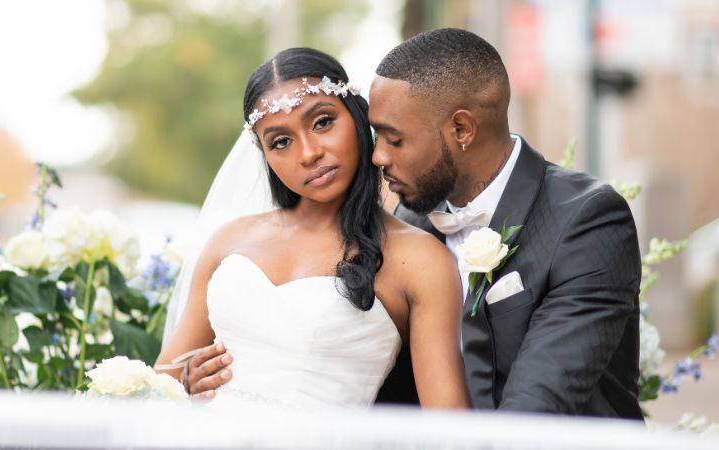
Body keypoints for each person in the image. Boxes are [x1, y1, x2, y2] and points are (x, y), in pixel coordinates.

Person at [156, 47, 469, 410]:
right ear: (265, 155)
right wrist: (185, 382)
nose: (308, 154)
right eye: (281, 142)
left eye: (322, 122)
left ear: (356, 116)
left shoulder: (419, 259)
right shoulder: (229, 240)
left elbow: (448, 423)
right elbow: (159, 382)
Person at [367, 28, 643, 418]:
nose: (378, 156)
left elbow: (539, 406)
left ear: (461, 130)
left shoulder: (587, 220)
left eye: (394, 140)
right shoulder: (412, 222)